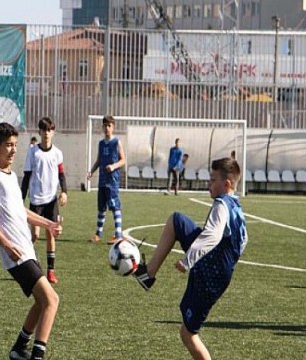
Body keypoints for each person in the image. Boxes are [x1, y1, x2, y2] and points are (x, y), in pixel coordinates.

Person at [134, 157, 248, 360]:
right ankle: (148, 274)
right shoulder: (236, 207)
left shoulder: (222, 204)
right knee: (176, 221)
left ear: (227, 184)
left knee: (188, 334)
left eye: (213, 180)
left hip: (211, 273)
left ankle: (148, 274)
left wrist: (188, 260)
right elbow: (242, 242)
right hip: (216, 266)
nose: (209, 184)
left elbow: (212, 235)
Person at [0, 122, 62, 360]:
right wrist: (6, 244)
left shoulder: (10, 176)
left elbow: (21, 211)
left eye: (15, 145)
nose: (13, 150)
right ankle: (37, 356)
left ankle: (19, 348)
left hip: (26, 250)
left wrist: (48, 224)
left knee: (40, 301)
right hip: (15, 254)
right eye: (8, 145)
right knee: (51, 299)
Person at [21, 117, 68, 284]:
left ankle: (50, 271)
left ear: (53, 132)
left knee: (51, 234)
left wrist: (64, 192)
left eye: (49, 130)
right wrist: (21, 198)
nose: (46, 133)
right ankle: (33, 262)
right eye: (44, 130)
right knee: (33, 236)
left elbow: (61, 174)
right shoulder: (33, 152)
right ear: (39, 132)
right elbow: (26, 176)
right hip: (35, 200)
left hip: (51, 200)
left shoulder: (57, 153)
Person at [87, 115, 126, 244]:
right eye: (105, 126)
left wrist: (113, 166)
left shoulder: (117, 142)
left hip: (112, 181)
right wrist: (91, 171)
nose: (107, 128)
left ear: (113, 127)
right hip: (102, 181)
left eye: (109, 126)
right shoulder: (101, 143)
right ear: (102, 127)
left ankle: (118, 234)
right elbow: (99, 160)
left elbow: (123, 160)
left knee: (115, 207)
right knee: (101, 208)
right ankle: (98, 234)